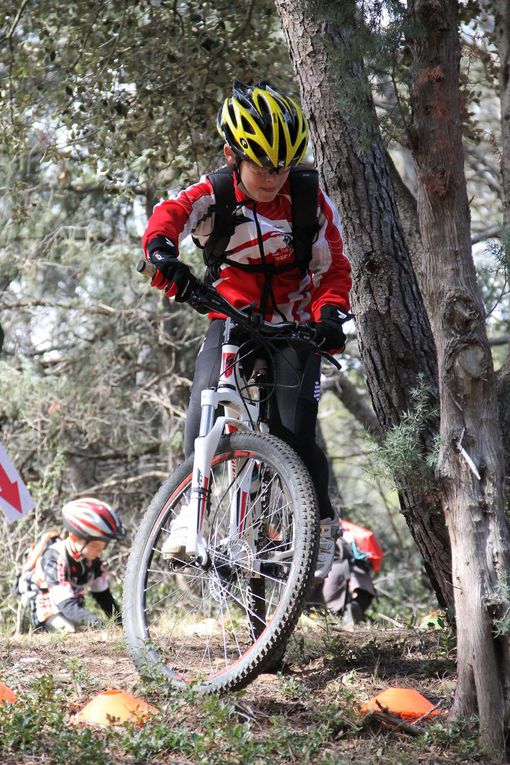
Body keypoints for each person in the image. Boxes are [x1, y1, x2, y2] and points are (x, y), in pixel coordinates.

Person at [142, 80, 352, 581]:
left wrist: (328, 314)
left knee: (293, 432)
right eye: (261, 165)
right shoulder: (213, 195)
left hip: (294, 325)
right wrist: (162, 255)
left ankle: (320, 523)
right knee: (203, 410)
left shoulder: (308, 202)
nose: (273, 177)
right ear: (232, 154)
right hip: (230, 316)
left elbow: (335, 268)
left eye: (282, 166)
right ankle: (187, 518)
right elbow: (167, 217)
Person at [33, 498, 125, 632]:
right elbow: (67, 606)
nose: (99, 551)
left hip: (72, 606)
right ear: (75, 538)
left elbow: (103, 596)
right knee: (72, 630)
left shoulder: (92, 558)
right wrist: (104, 627)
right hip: (50, 610)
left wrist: (122, 625)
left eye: (102, 547)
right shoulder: (55, 557)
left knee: (85, 628)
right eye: (95, 546)